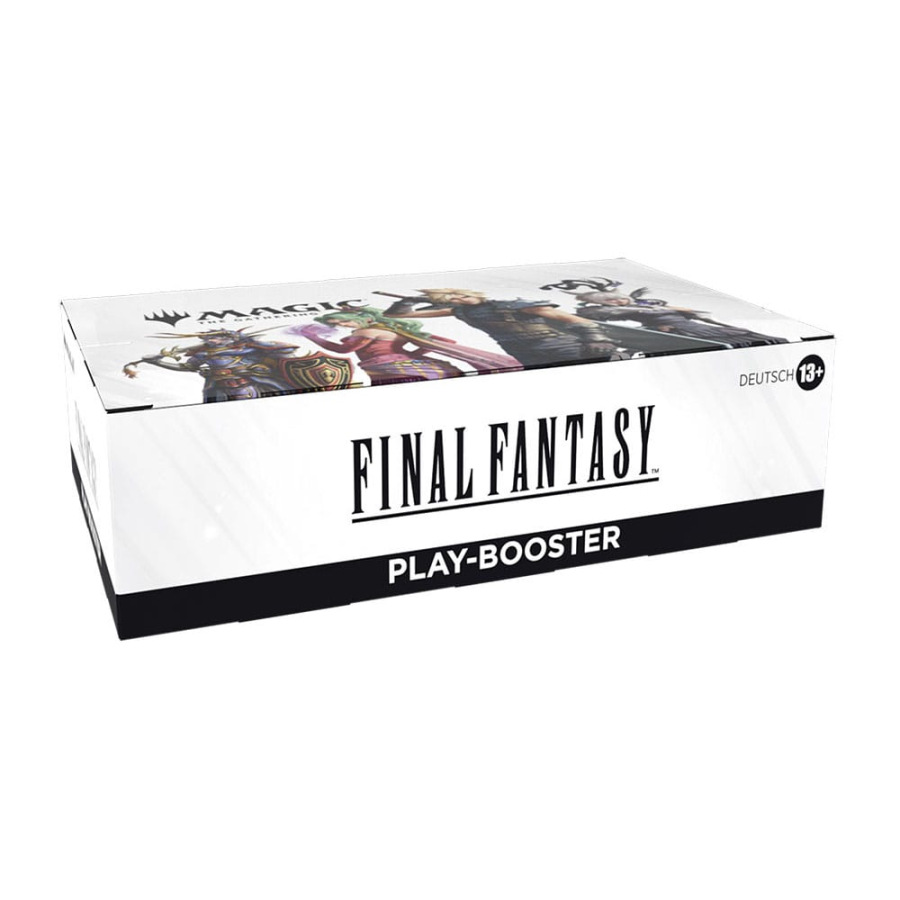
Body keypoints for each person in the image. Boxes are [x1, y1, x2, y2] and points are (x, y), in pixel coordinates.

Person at [379, 289, 627, 366]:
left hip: (555, 343)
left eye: (462, 295)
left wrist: (595, 337)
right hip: (519, 350)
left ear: (474, 294)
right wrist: (408, 300)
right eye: (452, 298)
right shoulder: (459, 311)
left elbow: (573, 319)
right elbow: (398, 316)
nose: (459, 300)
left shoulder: (513, 305)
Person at [292, 306, 520, 385]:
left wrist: (311, 336)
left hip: (386, 367)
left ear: (366, 319)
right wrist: (413, 354)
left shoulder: (365, 331)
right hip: (423, 364)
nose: (341, 325)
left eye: (344, 321)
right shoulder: (398, 331)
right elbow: (445, 342)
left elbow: (343, 350)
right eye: (336, 323)